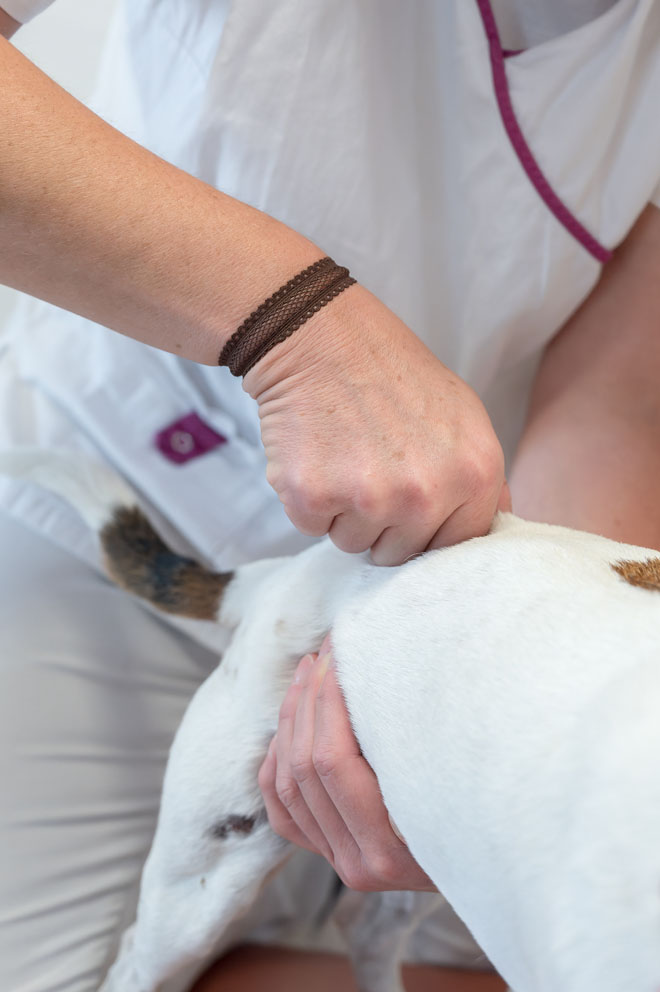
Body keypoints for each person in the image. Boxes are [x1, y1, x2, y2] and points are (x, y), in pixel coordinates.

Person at [1, 1, 660, 990]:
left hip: (433, 567)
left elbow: (614, 409)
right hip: (118, 458)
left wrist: (487, 738)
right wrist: (295, 329)